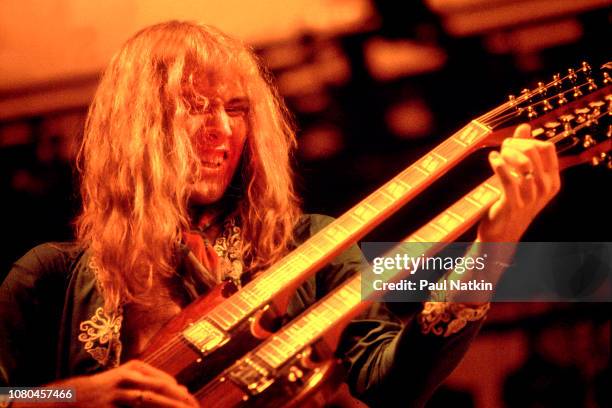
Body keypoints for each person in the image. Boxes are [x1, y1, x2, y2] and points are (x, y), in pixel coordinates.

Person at [0, 21, 560, 407]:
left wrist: (494, 248)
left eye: (236, 108)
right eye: (195, 106)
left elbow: (395, 387)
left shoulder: (311, 245)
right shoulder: (48, 276)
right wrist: (72, 396)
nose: (221, 127)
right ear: (136, 127)